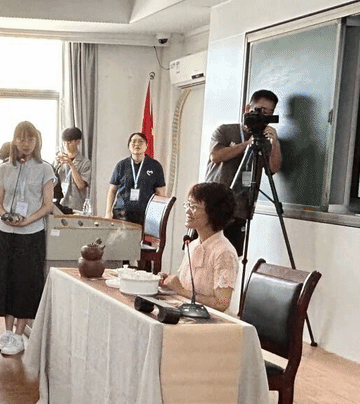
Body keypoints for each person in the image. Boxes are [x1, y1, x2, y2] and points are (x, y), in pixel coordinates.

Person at [0, 121, 54, 356]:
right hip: (6, 233)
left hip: (31, 234)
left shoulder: (45, 169)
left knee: (25, 283)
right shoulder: (4, 168)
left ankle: (19, 334)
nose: (26, 143)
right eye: (21, 138)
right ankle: (7, 331)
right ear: (14, 141)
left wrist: (27, 221)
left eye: (30, 139)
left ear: (37, 142)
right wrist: (5, 215)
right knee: (5, 280)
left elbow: (47, 205)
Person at [204, 89, 282, 255]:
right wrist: (247, 144)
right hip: (214, 206)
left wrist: (275, 143)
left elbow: (273, 169)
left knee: (231, 256)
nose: (263, 116)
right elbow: (215, 156)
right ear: (247, 109)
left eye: (269, 113)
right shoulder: (225, 130)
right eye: (260, 110)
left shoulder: (265, 140)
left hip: (240, 209)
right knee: (206, 254)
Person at [159, 182, 239, 312]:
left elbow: (221, 303)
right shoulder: (192, 245)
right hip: (187, 312)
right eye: (187, 205)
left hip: (209, 320)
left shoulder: (224, 252)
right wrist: (170, 284)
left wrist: (180, 290)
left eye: (194, 207)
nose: (187, 211)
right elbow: (188, 289)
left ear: (213, 212)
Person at [105, 132, 166, 226]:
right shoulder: (121, 165)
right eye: (133, 142)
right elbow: (112, 190)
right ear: (129, 146)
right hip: (121, 214)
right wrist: (108, 212)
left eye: (140, 142)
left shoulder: (155, 166)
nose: (137, 144)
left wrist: (158, 215)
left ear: (146, 145)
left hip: (145, 215)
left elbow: (160, 193)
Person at [53, 127, 92, 213]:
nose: (66, 145)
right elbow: (51, 182)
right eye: (64, 142)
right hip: (59, 205)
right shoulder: (59, 159)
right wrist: (57, 164)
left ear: (78, 142)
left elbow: (81, 185)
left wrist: (71, 165)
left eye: (69, 142)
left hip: (75, 206)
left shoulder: (85, 162)